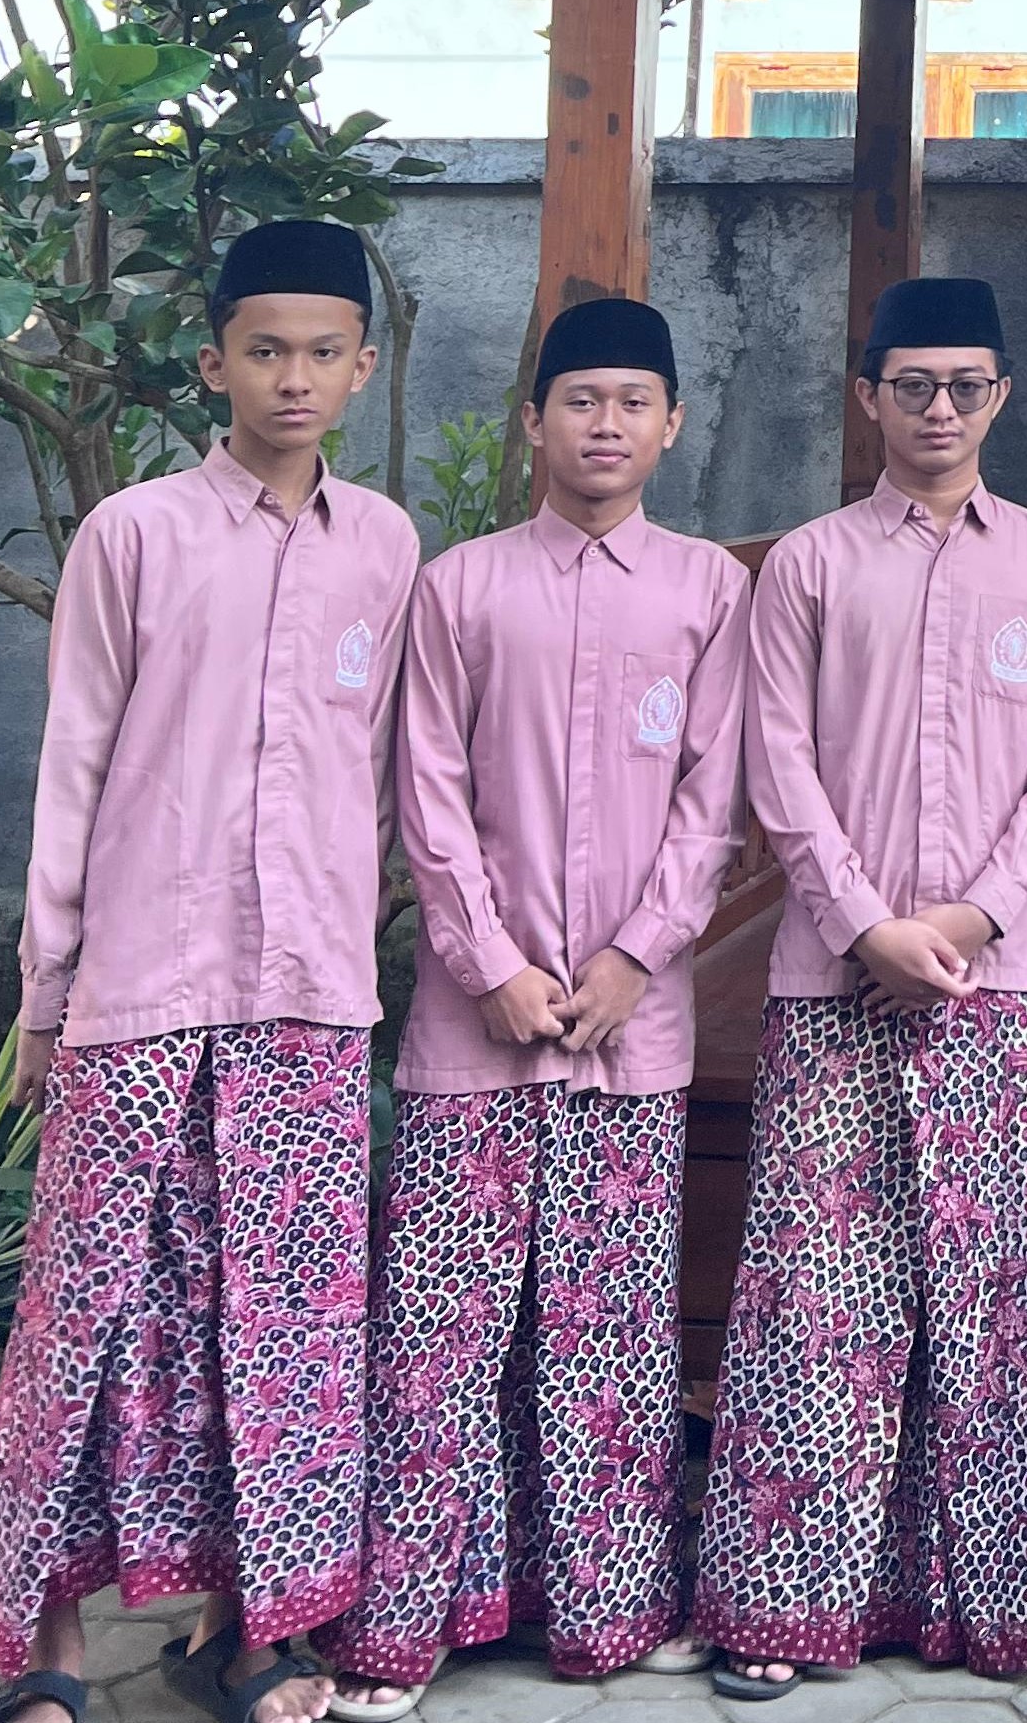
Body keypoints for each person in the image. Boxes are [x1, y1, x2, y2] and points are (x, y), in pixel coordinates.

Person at [0, 221, 419, 1723]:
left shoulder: (386, 548)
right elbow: (75, 767)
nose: (294, 378)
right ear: (215, 365)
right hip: (142, 987)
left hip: (306, 998)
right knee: (85, 1314)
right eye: (264, 351)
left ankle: (247, 1631)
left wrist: (356, 932)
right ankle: (46, 1644)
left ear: (361, 366)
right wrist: (47, 993)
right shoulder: (134, 536)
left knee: (285, 1326)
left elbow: (380, 772)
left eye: (323, 352)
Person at [321, 300, 749, 1718]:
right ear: (533, 422)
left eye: (632, 401)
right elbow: (427, 793)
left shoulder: (708, 592)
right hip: (474, 1031)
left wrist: (636, 958)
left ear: (671, 423)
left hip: (633, 1030)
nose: (605, 424)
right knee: (442, 1330)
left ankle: (607, 1614)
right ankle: (406, 1624)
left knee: (608, 1328)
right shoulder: (459, 589)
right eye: (579, 400)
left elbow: (712, 803)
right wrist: (487, 963)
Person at [693, 277, 1027, 1692]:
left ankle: (1007, 1601)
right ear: (868, 394)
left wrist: (974, 921)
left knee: (999, 1297)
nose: (941, 409)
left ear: (1002, 397)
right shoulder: (809, 566)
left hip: (999, 987)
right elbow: (778, 762)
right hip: (833, 983)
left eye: (967, 385)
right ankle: (782, 1603)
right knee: (822, 1297)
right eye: (914, 384)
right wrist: (869, 927)